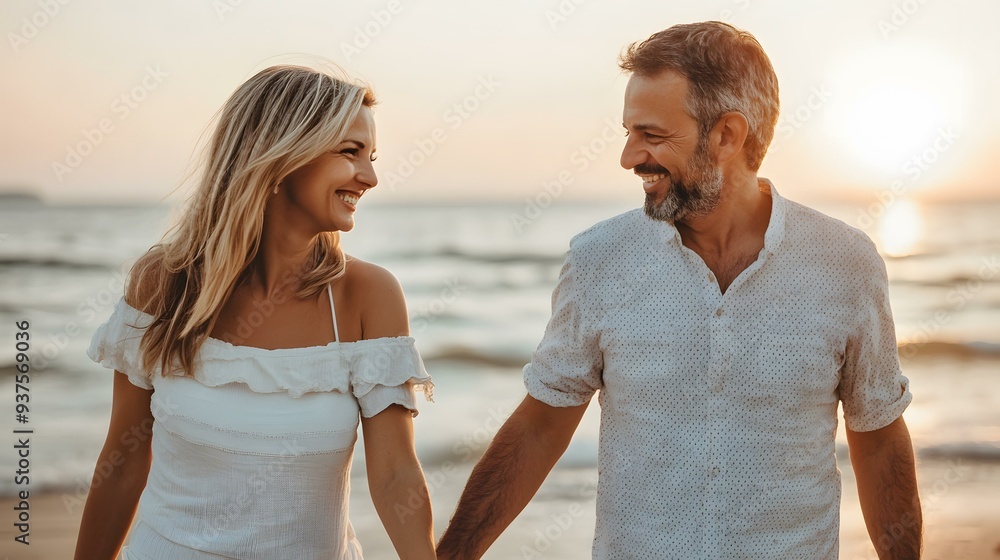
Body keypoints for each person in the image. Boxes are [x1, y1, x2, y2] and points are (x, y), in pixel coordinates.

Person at [437, 21, 920, 560]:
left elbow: (877, 439)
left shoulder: (845, 262)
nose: (629, 156)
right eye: (629, 132)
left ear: (727, 136)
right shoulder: (599, 259)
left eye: (652, 135)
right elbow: (540, 426)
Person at [75, 64, 435, 559]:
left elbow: (396, 475)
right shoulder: (163, 283)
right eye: (350, 153)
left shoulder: (366, 296)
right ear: (283, 154)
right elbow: (124, 460)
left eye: (372, 157)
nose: (370, 177)